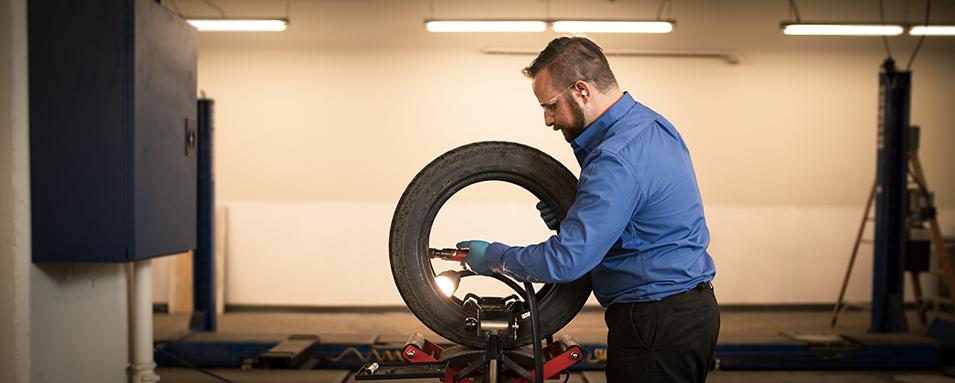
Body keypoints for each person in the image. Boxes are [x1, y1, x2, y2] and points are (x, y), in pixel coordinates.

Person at [456, 36, 719, 383]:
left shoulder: (615, 156)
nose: (548, 120)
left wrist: (494, 256)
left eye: (550, 105)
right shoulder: (651, 126)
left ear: (581, 90)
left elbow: (568, 260)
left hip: (656, 322)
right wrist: (572, 218)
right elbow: (638, 226)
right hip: (684, 314)